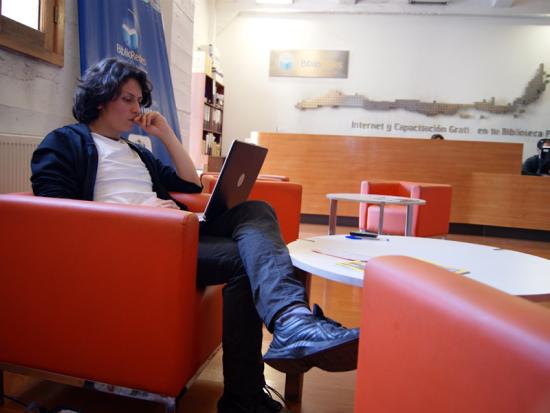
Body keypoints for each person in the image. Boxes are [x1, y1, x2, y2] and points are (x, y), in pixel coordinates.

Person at [30, 58, 359, 413]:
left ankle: (292, 319)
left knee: (257, 209)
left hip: (176, 231)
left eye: (139, 100)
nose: (137, 109)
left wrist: (166, 135)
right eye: (127, 99)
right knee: (245, 261)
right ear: (100, 99)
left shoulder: (136, 152)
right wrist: (142, 219)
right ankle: (247, 394)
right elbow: (58, 214)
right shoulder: (64, 142)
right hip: (136, 244)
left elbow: (190, 183)